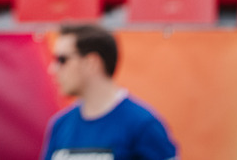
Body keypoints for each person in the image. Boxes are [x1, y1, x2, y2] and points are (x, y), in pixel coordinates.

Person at [41, 24, 178, 160]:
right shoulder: (60, 125)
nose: (53, 69)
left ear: (91, 62)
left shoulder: (143, 125)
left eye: (62, 60)